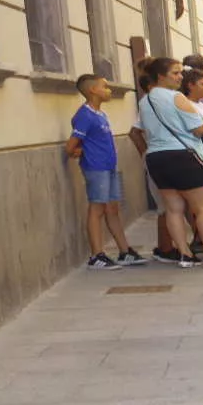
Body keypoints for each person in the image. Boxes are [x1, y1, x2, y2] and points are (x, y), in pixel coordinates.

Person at [136, 57, 203, 269]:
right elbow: (199, 129)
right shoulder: (177, 97)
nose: (180, 77)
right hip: (183, 155)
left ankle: (185, 254)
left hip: (156, 157)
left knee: (173, 208)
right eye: (175, 73)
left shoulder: (145, 100)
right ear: (161, 76)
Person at [66, 74, 143, 269]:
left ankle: (125, 251)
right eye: (105, 87)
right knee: (97, 208)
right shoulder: (84, 115)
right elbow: (71, 146)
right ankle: (97, 255)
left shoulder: (100, 114)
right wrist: (82, 151)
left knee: (112, 208)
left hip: (109, 166)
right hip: (96, 168)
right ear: (93, 90)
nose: (109, 90)